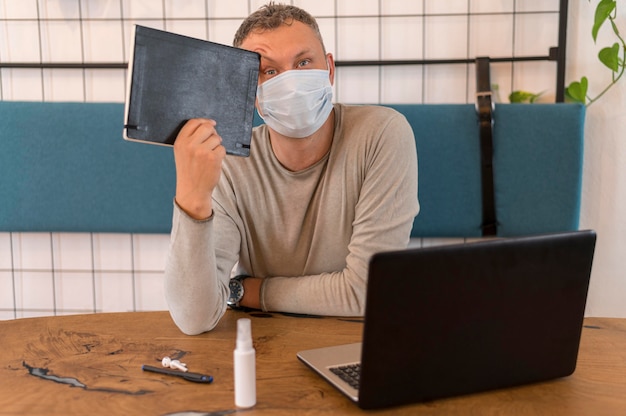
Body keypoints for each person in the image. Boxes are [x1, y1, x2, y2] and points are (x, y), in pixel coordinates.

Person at [164, 2, 419, 335]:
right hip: (263, 347)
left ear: (328, 69)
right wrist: (192, 197)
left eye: (303, 62)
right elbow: (194, 317)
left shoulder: (382, 135)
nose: (291, 82)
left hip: (359, 344)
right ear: (246, 90)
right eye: (269, 71)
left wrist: (250, 290)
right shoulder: (229, 162)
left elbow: (366, 292)